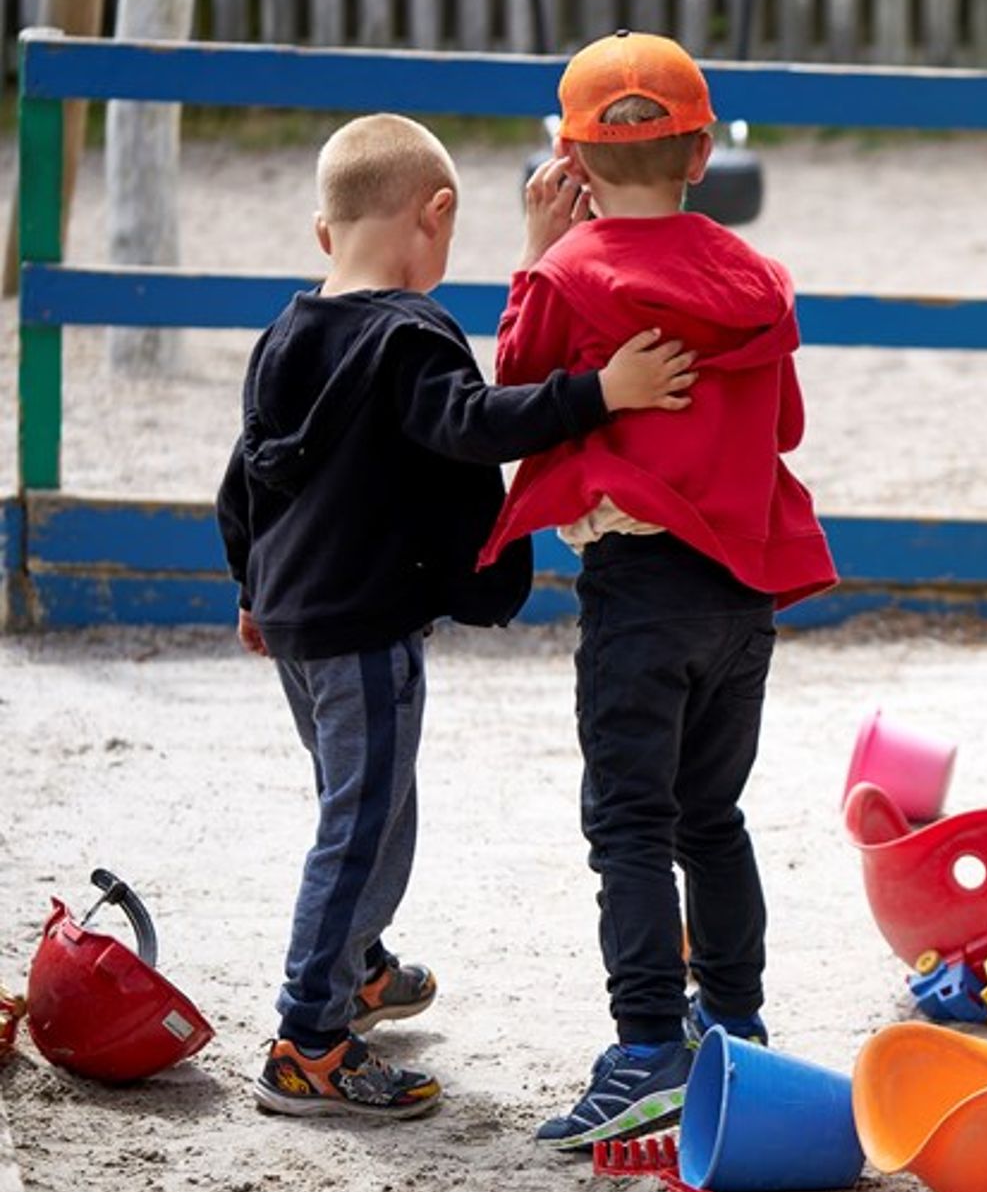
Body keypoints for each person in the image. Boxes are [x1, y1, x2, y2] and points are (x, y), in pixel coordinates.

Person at [219, 113, 696, 1120]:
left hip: (298, 626)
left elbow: (243, 480)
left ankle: (359, 968)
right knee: (360, 823)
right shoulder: (407, 335)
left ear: (323, 233)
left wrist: (251, 589)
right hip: (362, 631)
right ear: (435, 217)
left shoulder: (284, 335)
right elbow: (472, 425)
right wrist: (597, 392)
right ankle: (309, 1039)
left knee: (364, 806)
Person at [479, 31, 838, 1149]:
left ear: (573, 162)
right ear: (699, 154)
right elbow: (783, 425)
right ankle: (734, 1023)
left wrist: (538, 250)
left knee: (629, 825)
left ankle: (646, 1051)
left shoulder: (571, 274)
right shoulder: (755, 278)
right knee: (709, 817)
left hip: (637, 588)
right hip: (740, 594)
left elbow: (520, 389)